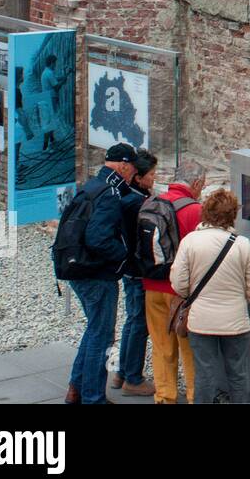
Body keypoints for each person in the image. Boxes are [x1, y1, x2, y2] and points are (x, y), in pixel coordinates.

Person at [171, 188, 250, 404]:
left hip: (201, 321)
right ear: (232, 214)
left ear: (206, 212)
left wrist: (190, 295)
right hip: (236, 321)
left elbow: (178, 282)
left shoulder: (191, 241)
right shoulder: (242, 244)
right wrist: (244, 298)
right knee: (237, 374)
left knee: (205, 374)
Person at [63, 143, 138, 405]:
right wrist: (123, 256)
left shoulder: (91, 185)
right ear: (124, 166)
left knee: (95, 330)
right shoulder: (109, 193)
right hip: (97, 275)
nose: (132, 176)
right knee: (101, 335)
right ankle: (92, 398)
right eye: (132, 170)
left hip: (78, 269)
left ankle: (76, 388)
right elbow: (98, 238)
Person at [141, 160, 205, 404]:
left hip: (152, 285)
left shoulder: (152, 203)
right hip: (180, 292)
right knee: (189, 348)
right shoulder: (194, 210)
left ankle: (165, 397)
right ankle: (193, 396)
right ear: (196, 183)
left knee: (161, 345)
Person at [109, 148, 158, 397]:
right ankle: (133, 378)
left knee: (132, 320)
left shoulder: (126, 196)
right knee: (139, 323)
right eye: (151, 175)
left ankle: (122, 373)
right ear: (139, 177)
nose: (154, 179)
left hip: (128, 269)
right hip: (137, 270)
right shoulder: (138, 203)